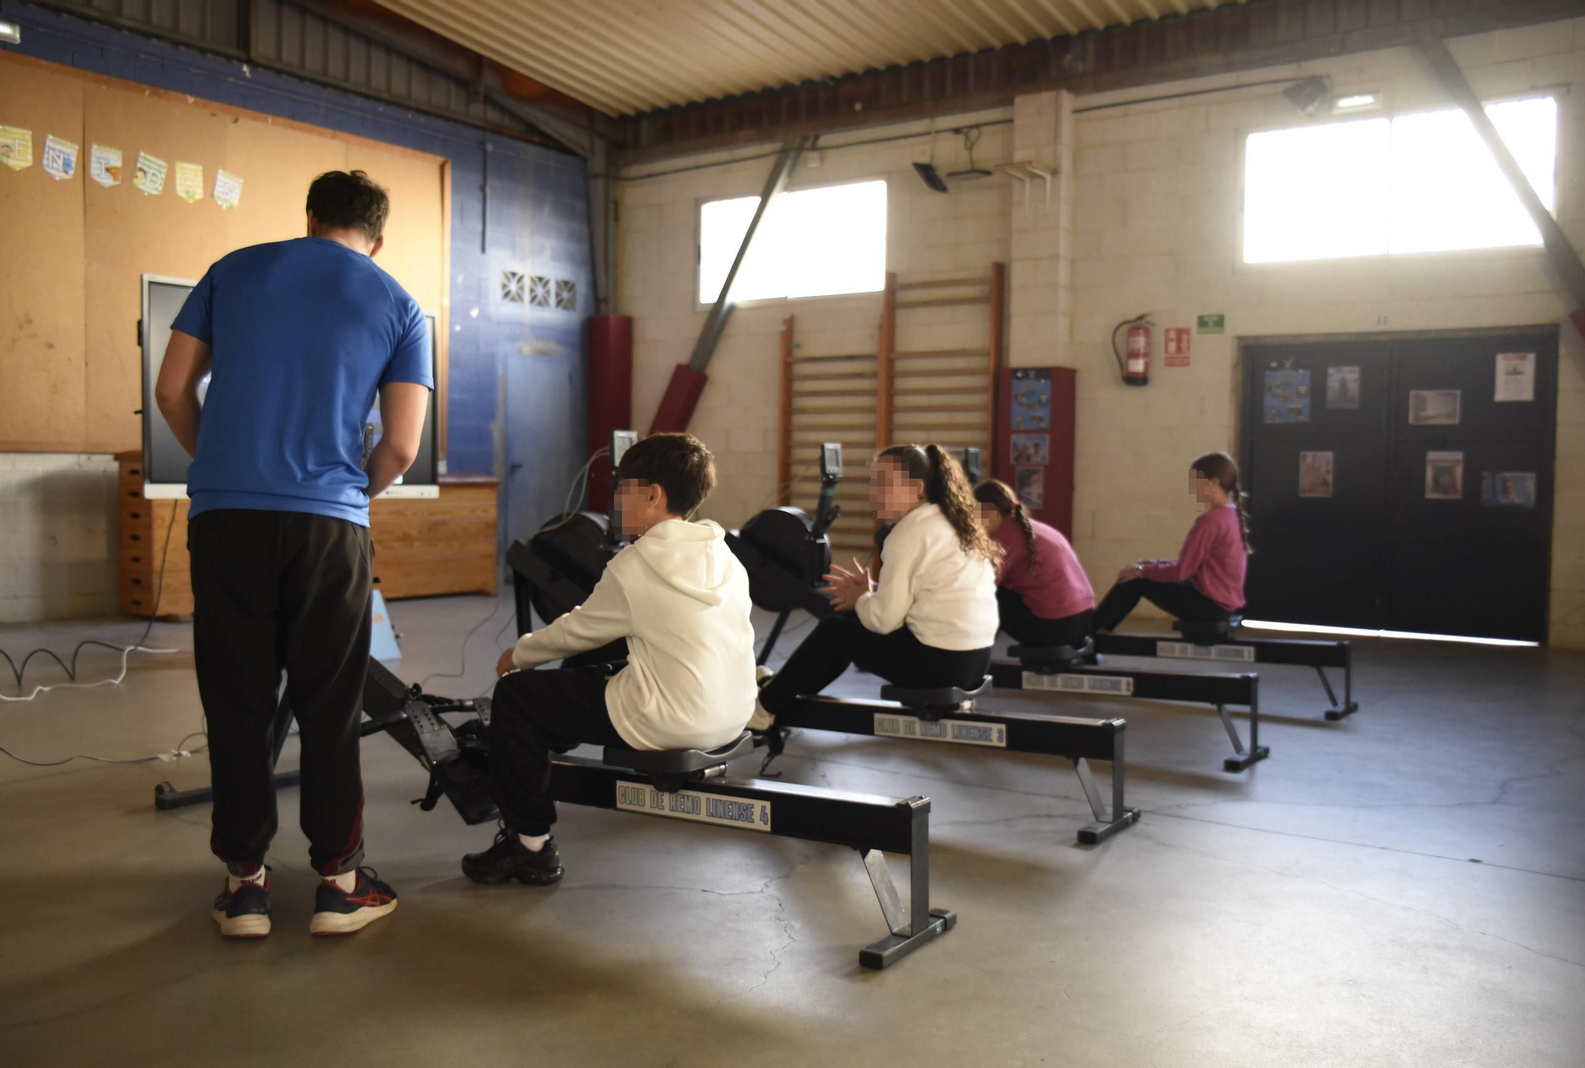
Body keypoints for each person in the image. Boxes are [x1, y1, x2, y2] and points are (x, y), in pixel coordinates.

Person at [156, 170, 430, 938]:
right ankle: (339, 884)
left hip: (227, 518)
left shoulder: (231, 271)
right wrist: (350, 494)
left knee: (236, 702)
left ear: (309, 217)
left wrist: (222, 465)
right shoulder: (398, 303)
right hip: (328, 527)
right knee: (330, 706)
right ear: (378, 238)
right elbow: (402, 445)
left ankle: (244, 887)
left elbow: (172, 389)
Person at [462, 434, 756, 886]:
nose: (615, 499)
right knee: (610, 660)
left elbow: (577, 630)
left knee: (517, 697)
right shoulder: (726, 557)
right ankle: (540, 744)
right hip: (733, 714)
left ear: (653, 496)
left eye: (623, 489)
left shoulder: (637, 564)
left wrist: (518, 653)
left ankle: (530, 847)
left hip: (670, 719)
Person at [750, 445, 998, 729]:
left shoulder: (908, 533)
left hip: (943, 665)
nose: (874, 493)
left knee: (834, 632)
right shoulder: (949, 521)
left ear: (917, 489)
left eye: (884, 483)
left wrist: (863, 599)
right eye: (873, 483)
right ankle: (784, 693)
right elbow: (929, 593)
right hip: (975, 661)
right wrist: (872, 594)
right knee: (847, 622)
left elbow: (884, 620)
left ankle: (764, 709)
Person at [1091, 452, 1250, 634]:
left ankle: (1087, 635)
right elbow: (1190, 565)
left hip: (1210, 608)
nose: (1193, 488)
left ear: (1213, 482)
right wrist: (1147, 565)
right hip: (1221, 606)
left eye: (1196, 482)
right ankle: (1097, 632)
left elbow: (1182, 572)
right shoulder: (1230, 514)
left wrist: (1140, 571)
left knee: (1133, 581)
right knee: (1138, 574)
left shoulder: (1211, 521)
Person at [972, 479, 1096, 649]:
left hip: (1057, 627)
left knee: (988, 595)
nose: (972, 522)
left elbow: (981, 584)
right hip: (1083, 619)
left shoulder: (1005, 536)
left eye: (973, 514)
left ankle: (975, 652)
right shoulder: (1029, 527)